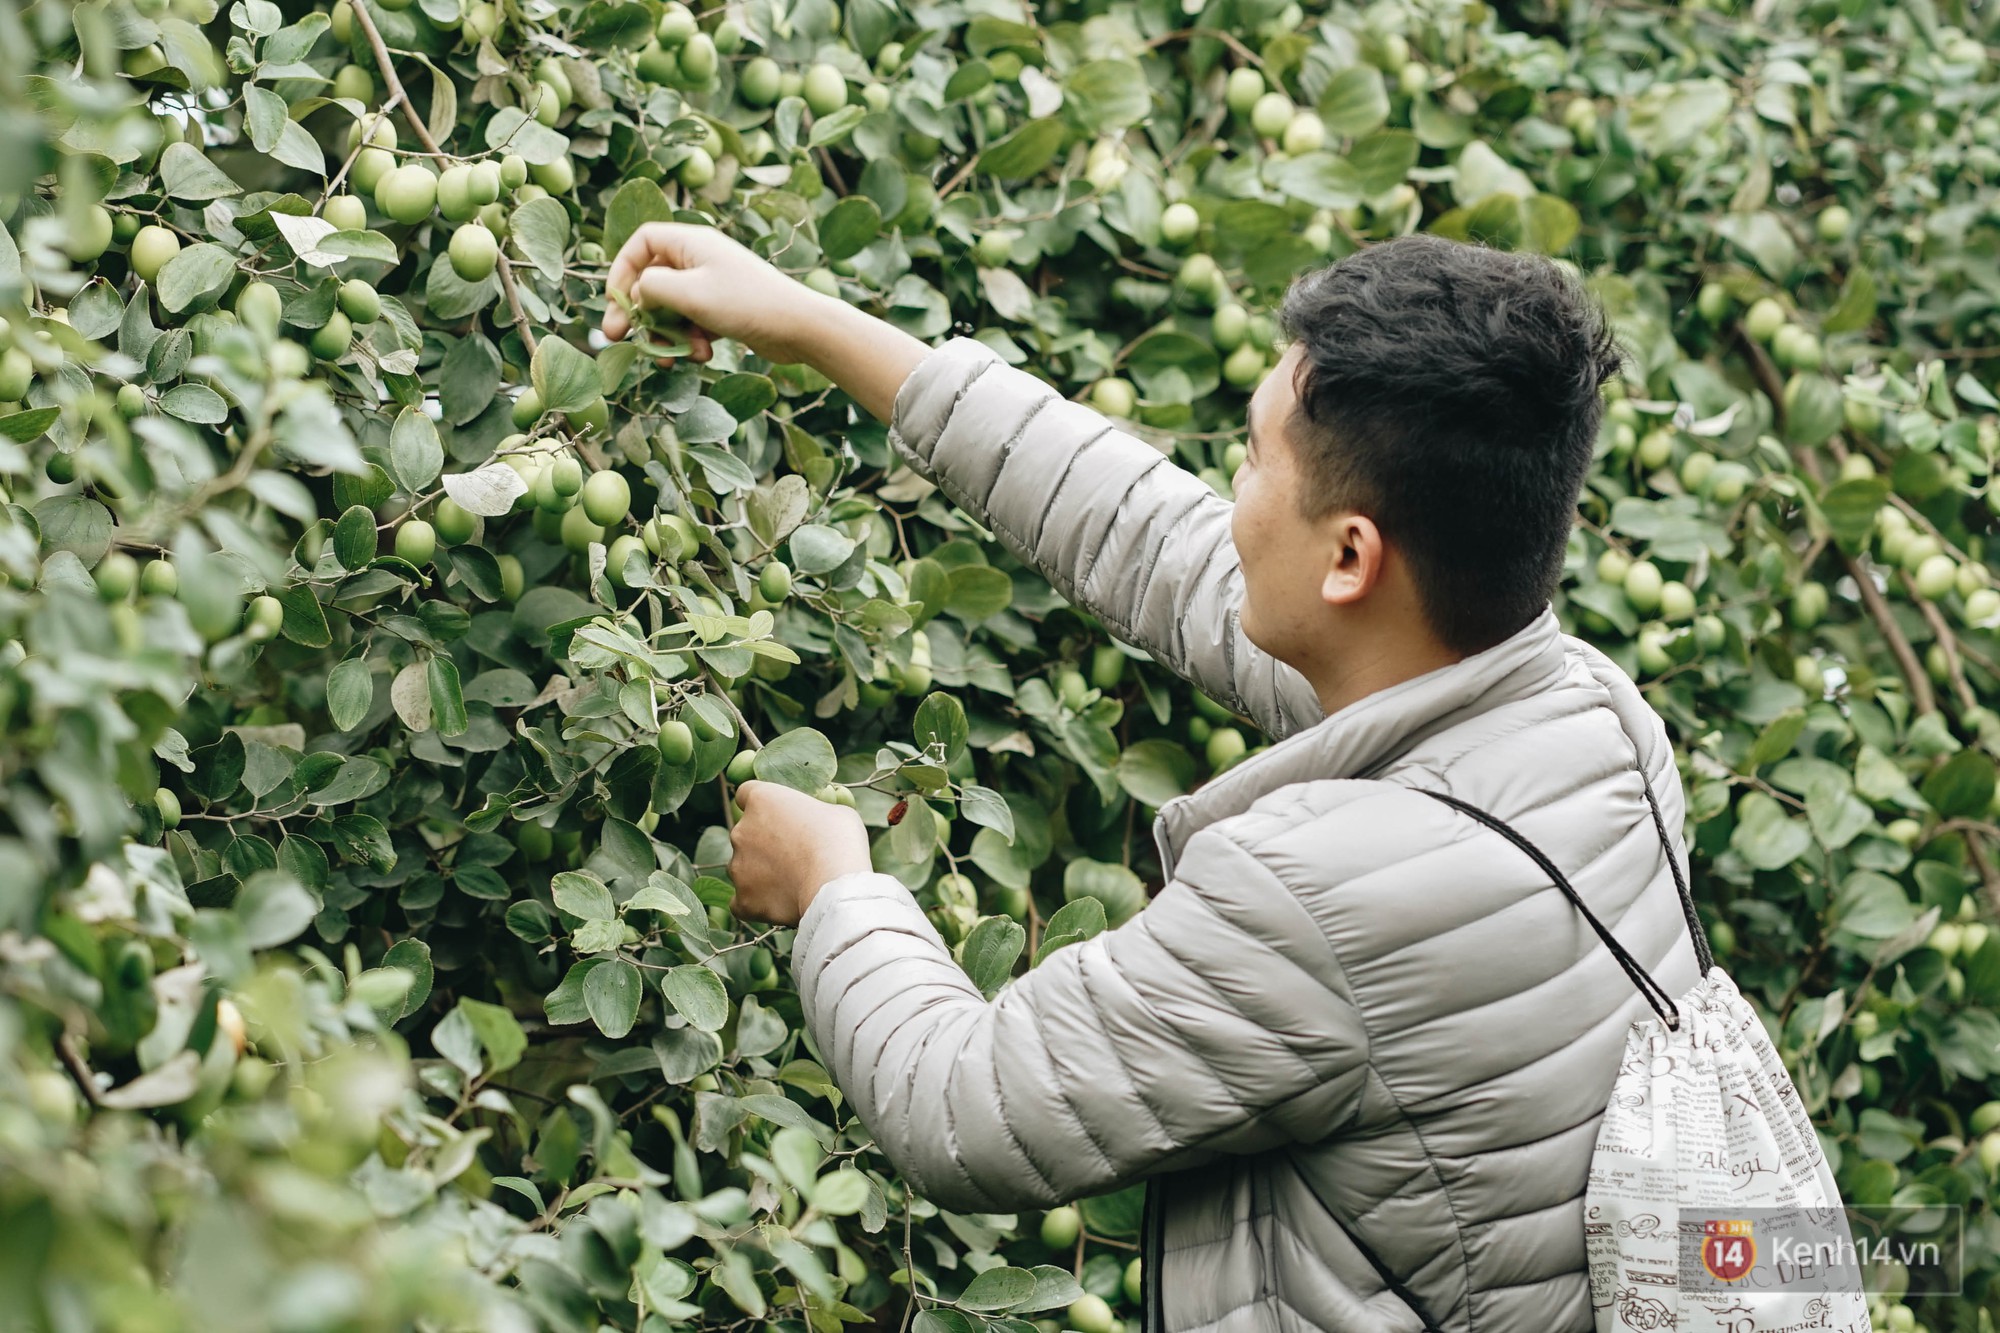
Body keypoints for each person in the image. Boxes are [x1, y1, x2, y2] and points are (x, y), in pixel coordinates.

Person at [601, 227, 1708, 1333]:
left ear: (1350, 558)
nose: (1231, 494)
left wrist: (834, 886)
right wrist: (814, 324)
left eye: (1252, 459)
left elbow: (964, 1111)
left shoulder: (1312, 900)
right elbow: (1150, 540)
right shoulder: (1588, 713)